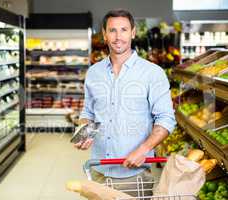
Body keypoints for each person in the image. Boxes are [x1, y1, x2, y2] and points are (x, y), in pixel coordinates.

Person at [74, 9, 176, 196]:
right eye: (112, 30)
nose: (118, 36)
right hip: (98, 170)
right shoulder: (94, 72)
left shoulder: (152, 73)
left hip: (133, 174)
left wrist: (144, 150)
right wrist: (84, 133)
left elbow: (166, 119)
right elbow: (88, 112)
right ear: (104, 35)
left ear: (133, 32)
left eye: (124, 30)